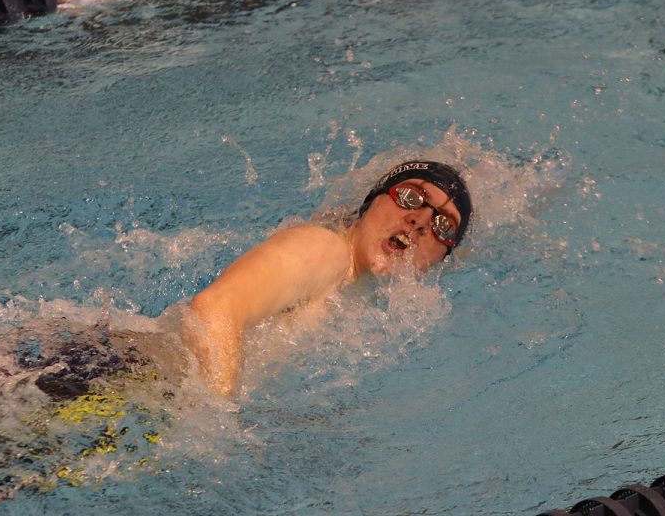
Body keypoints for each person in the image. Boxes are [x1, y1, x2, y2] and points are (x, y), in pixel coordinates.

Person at [182, 160, 472, 396]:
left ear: (438, 261)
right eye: (411, 197)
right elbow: (214, 308)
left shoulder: (361, 300)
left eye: (443, 226)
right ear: (371, 202)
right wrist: (217, 417)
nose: (420, 220)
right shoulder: (325, 250)